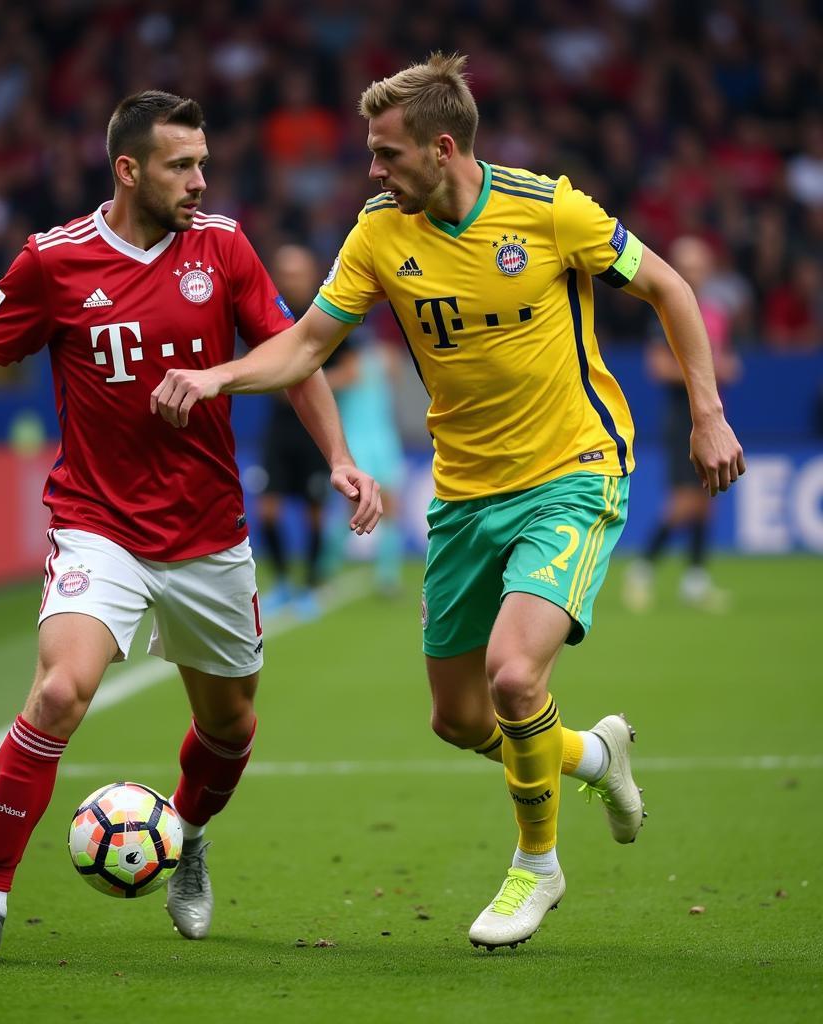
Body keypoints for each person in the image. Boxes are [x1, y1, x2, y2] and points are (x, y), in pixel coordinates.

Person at [151, 54, 745, 951]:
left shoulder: (549, 210)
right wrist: (218, 376)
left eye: (386, 154)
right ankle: (591, 754)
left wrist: (707, 414)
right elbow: (309, 342)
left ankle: (536, 867)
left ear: (442, 147)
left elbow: (670, 287)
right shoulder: (380, 231)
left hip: (573, 472)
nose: (373, 170)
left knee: (513, 675)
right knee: (460, 717)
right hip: (466, 494)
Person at [0, 90, 381, 966]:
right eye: (183, 165)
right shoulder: (53, 261)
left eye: (204, 162)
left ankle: (183, 832)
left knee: (230, 728)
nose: (201, 180)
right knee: (61, 691)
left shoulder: (222, 247)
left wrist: (337, 455)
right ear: (129, 169)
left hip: (209, 530)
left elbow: (292, 358)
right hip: (98, 523)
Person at [623, 236, 742, 613]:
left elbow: (721, 358)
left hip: (713, 414)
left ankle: (695, 581)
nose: (692, 273)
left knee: (708, 500)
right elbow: (657, 366)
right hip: (682, 417)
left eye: (699, 266)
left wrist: (725, 369)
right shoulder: (666, 311)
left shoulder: (716, 313)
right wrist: (710, 372)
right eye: (685, 267)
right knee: (684, 502)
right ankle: (641, 569)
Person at [253, 244, 336, 619]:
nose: (291, 281)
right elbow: (253, 366)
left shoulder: (325, 316)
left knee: (314, 512)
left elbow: (351, 369)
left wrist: (307, 381)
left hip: (313, 430)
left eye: (297, 273)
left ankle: (311, 584)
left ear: (311, 274)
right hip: (278, 430)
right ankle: (285, 582)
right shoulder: (266, 317)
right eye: (284, 274)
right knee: (267, 509)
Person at [323, 330, 406, 595]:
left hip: (383, 440)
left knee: (391, 508)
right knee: (354, 511)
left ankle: (388, 577)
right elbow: (321, 386)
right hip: (356, 444)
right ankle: (325, 566)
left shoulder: (381, 358)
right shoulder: (343, 371)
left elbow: (396, 368)